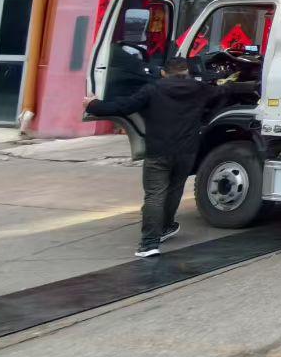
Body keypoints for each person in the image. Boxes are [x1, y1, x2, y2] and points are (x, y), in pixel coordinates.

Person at [84, 57, 223, 258]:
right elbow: (225, 91)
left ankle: (149, 243)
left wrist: (93, 105)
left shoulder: (153, 89)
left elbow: (123, 106)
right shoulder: (199, 89)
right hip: (187, 153)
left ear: (164, 73)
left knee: (155, 195)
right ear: (187, 72)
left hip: (159, 151)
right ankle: (165, 227)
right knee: (174, 191)